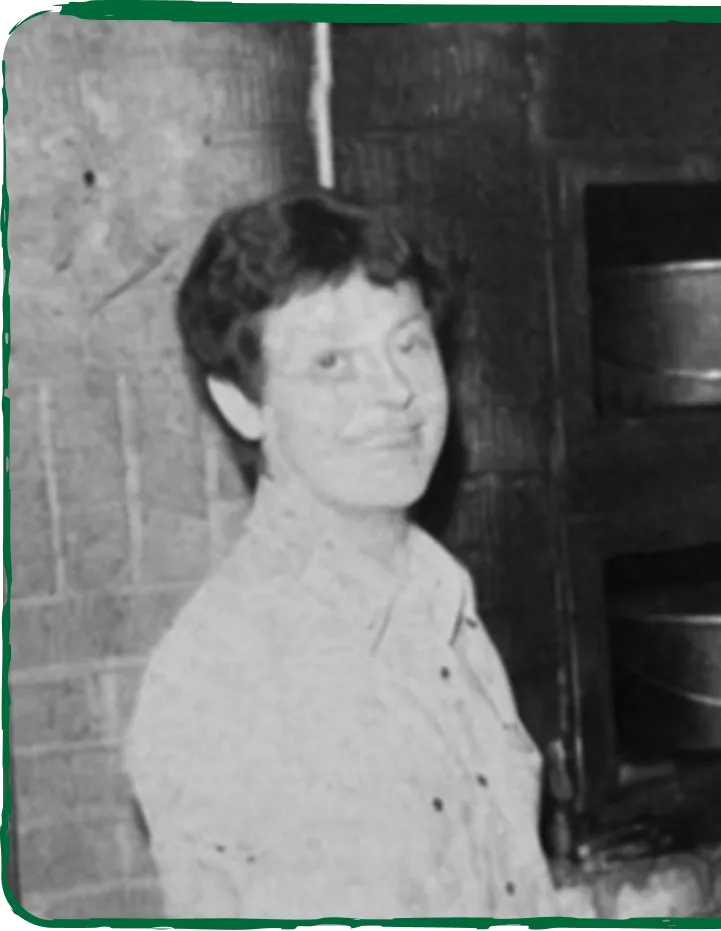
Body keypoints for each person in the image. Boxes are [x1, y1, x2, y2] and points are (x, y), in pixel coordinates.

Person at [124, 189, 597, 920]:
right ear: (243, 403)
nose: (395, 394)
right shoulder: (222, 678)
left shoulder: (441, 594)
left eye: (409, 344)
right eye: (331, 363)